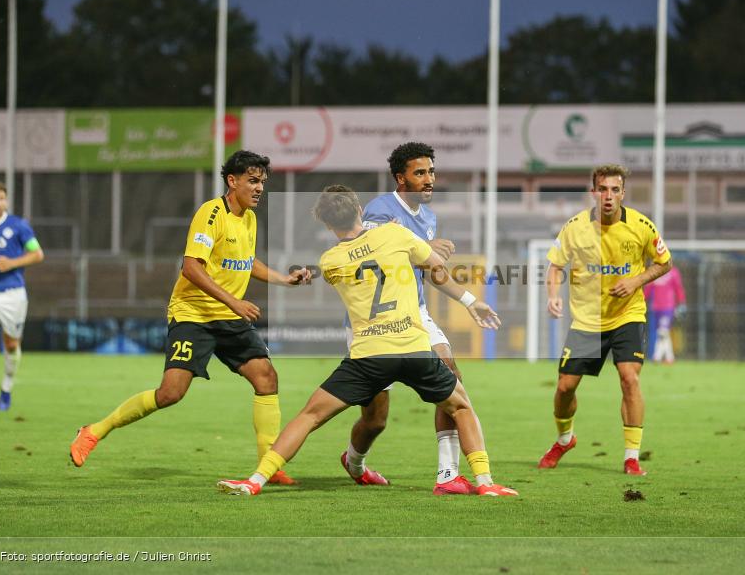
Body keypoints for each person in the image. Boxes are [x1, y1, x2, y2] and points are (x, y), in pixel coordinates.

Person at [217, 185, 517, 497]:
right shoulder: (395, 235)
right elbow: (435, 268)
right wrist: (472, 301)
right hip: (412, 349)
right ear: (360, 210)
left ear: (326, 223)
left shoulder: (331, 260)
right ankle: (485, 482)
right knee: (461, 406)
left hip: (368, 356)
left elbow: (351, 264)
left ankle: (255, 481)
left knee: (310, 415)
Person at [70, 150, 310, 486]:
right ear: (233, 180)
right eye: (253, 181)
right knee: (171, 393)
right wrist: (236, 302)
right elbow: (191, 267)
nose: (259, 189)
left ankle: (268, 464)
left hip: (228, 316)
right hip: (193, 314)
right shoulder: (211, 214)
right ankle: (94, 431)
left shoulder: (250, 219)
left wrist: (284, 280)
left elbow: (247, 261)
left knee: (266, 378)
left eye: (262, 183)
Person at [339, 141, 473, 495]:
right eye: (420, 173)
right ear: (401, 178)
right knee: (375, 419)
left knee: (452, 379)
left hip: (416, 313)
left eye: (431, 172)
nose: (429, 179)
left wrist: (470, 300)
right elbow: (372, 251)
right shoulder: (380, 209)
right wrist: (426, 248)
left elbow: (429, 268)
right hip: (374, 322)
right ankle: (354, 461)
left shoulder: (428, 217)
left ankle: (448, 475)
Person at [539, 164, 671, 477]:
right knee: (565, 388)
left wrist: (637, 281)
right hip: (587, 321)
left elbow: (664, 263)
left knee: (629, 378)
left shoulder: (641, 225)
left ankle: (631, 457)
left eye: (614, 190)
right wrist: (553, 295)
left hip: (628, 315)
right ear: (593, 192)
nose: (607, 196)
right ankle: (565, 439)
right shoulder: (574, 227)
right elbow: (555, 266)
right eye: (602, 189)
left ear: (623, 193)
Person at [0, 182, 44, 412]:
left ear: (6, 201)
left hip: (13, 293)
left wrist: (12, 263)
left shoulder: (18, 226)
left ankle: (6, 388)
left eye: (1, 198)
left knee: (11, 345)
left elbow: (37, 254)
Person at [644, 264, 686, 364]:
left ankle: (657, 357)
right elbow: (647, 290)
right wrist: (641, 300)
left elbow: (678, 288)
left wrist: (682, 302)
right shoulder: (654, 272)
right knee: (663, 332)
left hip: (668, 307)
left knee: (662, 332)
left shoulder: (673, 272)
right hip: (656, 307)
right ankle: (669, 358)